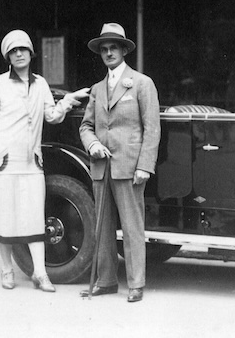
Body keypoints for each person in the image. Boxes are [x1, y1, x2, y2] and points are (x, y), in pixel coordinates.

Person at [0, 30, 89, 292]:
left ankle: (40, 273)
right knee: (3, 217)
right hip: (3, 160)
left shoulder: (41, 84)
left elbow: (52, 116)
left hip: (31, 162)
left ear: (30, 53)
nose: (19, 54)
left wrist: (68, 101)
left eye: (23, 49)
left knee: (34, 217)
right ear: (8, 57)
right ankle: (7, 269)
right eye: (13, 51)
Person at [78, 23, 160, 303]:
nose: (109, 53)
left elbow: (152, 128)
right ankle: (106, 280)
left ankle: (136, 283)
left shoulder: (142, 83)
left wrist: (144, 165)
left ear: (124, 50)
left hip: (129, 166)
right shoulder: (97, 89)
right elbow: (86, 126)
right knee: (102, 227)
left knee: (131, 227)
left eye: (114, 47)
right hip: (101, 167)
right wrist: (93, 145)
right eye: (104, 49)